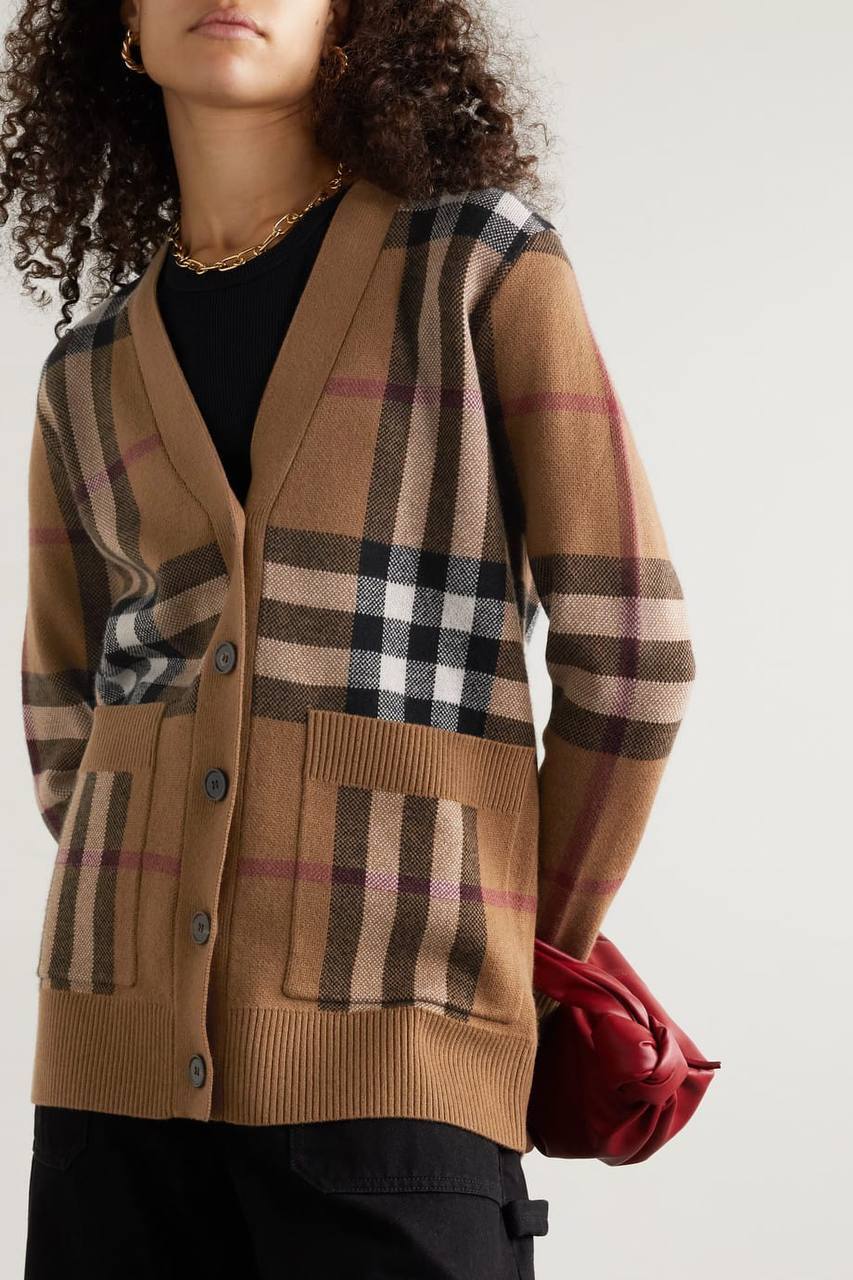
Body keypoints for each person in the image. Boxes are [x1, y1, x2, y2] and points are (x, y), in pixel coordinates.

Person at [1, 2, 696, 1277]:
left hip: (401, 1064)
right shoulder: (84, 371)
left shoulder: (476, 265)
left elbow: (634, 651)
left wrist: (515, 944)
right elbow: (66, 711)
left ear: (352, 20)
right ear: (123, 25)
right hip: (109, 1091)